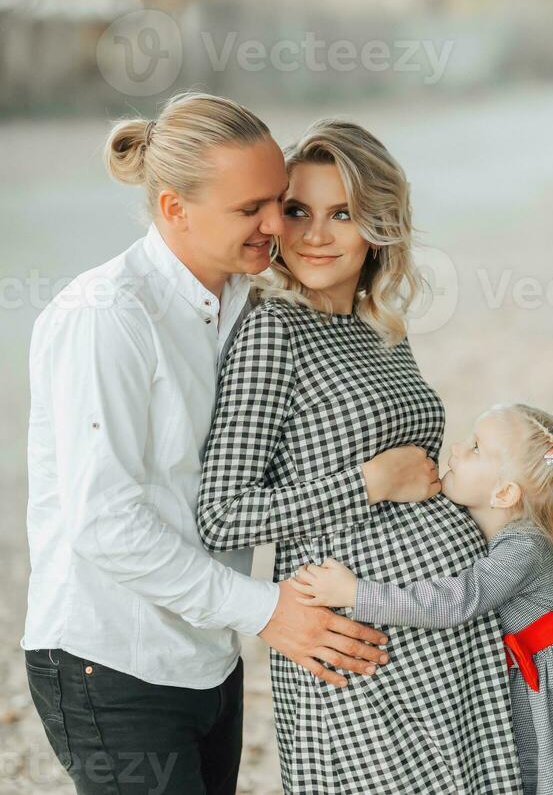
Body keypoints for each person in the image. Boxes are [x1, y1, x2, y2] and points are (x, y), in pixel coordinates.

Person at [23, 92, 425, 795]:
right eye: (252, 210)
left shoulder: (247, 300)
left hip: (211, 654)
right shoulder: (107, 318)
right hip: (113, 660)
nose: (278, 227)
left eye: (279, 200)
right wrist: (269, 611)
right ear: (175, 209)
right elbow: (105, 525)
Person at [197, 120, 524, 793]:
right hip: (361, 647)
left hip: (445, 628)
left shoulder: (381, 327)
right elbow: (222, 515)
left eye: (341, 213)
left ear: (378, 223)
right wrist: (368, 483)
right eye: (298, 211)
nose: (316, 234)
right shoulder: (272, 331)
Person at [291, 404, 553, 795]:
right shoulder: (508, 533)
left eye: (476, 447)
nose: (457, 449)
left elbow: (456, 601)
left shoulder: (523, 547)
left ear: (504, 493)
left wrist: (356, 593)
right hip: (543, 677)